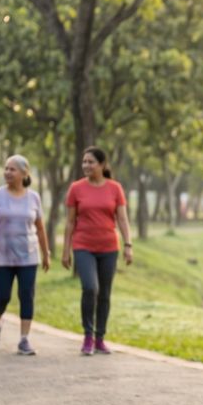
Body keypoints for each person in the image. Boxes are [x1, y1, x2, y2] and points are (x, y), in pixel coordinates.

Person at [62, 147, 132, 355]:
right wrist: (66, 251)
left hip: (109, 247)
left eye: (90, 162)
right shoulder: (76, 188)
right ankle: (88, 336)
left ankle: (100, 338)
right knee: (90, 288)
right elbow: (70, 222)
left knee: (105, 294)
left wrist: (128, 245)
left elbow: (122, 219)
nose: (86, 166)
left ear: (102, 165)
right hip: (83, 246)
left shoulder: (115, 188)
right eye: (84, 162)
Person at [0, 155, 50, 355]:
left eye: (12, 169)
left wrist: (46, 253)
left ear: (24, 173)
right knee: (2, 296)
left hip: (28, 256)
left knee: (26, 295)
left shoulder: (34, 197)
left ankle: (24, 339)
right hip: (2, 256)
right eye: (6, 168)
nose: (7, 172)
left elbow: (40, 228)